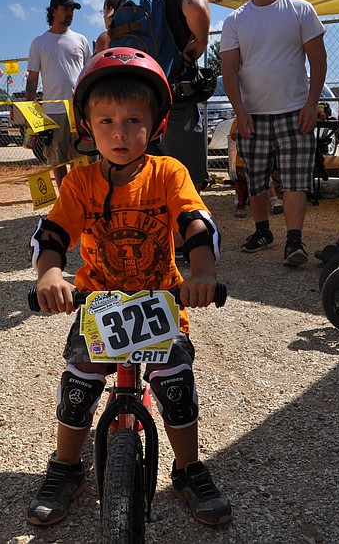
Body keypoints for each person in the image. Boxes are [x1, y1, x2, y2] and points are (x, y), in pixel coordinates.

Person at [26, 48, 232, 527]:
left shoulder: (168, 174)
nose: (119, 132)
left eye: (134, 120)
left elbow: (196, 222)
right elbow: (53, 234)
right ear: (87, 128)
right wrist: (50, 275)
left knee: (176, 385)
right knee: (79, 384)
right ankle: (65, 467)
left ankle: (188, 469)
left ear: (156, 126)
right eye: (106, 121)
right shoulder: (79, 181)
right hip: (98, 304)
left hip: (160, 300)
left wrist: (201, 271)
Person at [220, 0, 327, 266]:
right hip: (252, 114)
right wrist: (240, 111)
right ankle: (262, 231)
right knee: (255, 179)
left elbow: (318, 58)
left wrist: (311, 104)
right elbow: (229, 69)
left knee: (295, 179)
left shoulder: (301, 10)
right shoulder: (235, 20)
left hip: (295, 110)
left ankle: (294, 240)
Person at [143, 0, 212, 192]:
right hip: (174, 101)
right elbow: (196, 6)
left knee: (147, 187)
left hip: (138, 100)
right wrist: (201, 41)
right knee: (187, 186)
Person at [25, 0, 91, 186]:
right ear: (53, 11)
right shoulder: (39, 43)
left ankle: (83, 199)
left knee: (83, 158)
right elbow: (32, 80)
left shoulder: (81, 40)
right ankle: (65, 200)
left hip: (78, 110)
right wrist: (32, 113)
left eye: (72, 9)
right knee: (57, 160)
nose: (70, 13)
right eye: (65, 9)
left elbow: (87, 73)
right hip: (53, 112)